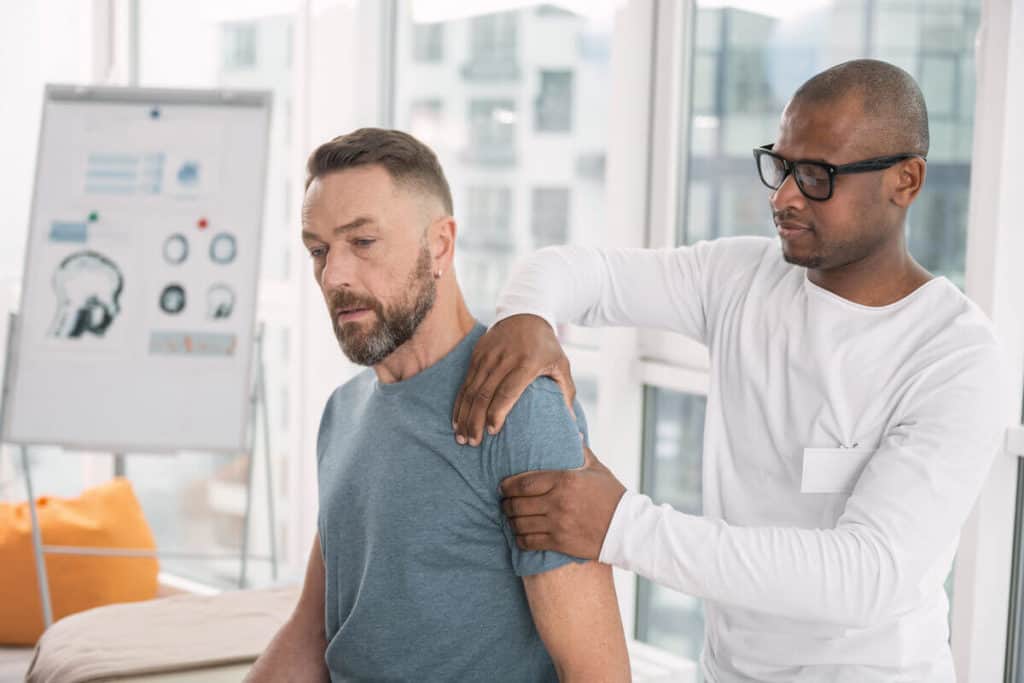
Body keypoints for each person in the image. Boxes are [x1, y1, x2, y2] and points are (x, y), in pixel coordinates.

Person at [451, 59, 1007, 682]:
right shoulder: (741, 277)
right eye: (782, 165)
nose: (785, 196)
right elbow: (577, 271)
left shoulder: (956, 356)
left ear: (906, 181)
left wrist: (620, 526)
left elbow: (869, 575)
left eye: (819, 175)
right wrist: (527, 318)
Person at [245, 128, 630, 682]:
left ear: (440, 246)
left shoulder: (519, 411)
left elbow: (598, 673)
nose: (334, 276)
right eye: (318, 250)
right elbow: (314, 635)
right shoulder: (343, 412)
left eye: (364, 242)